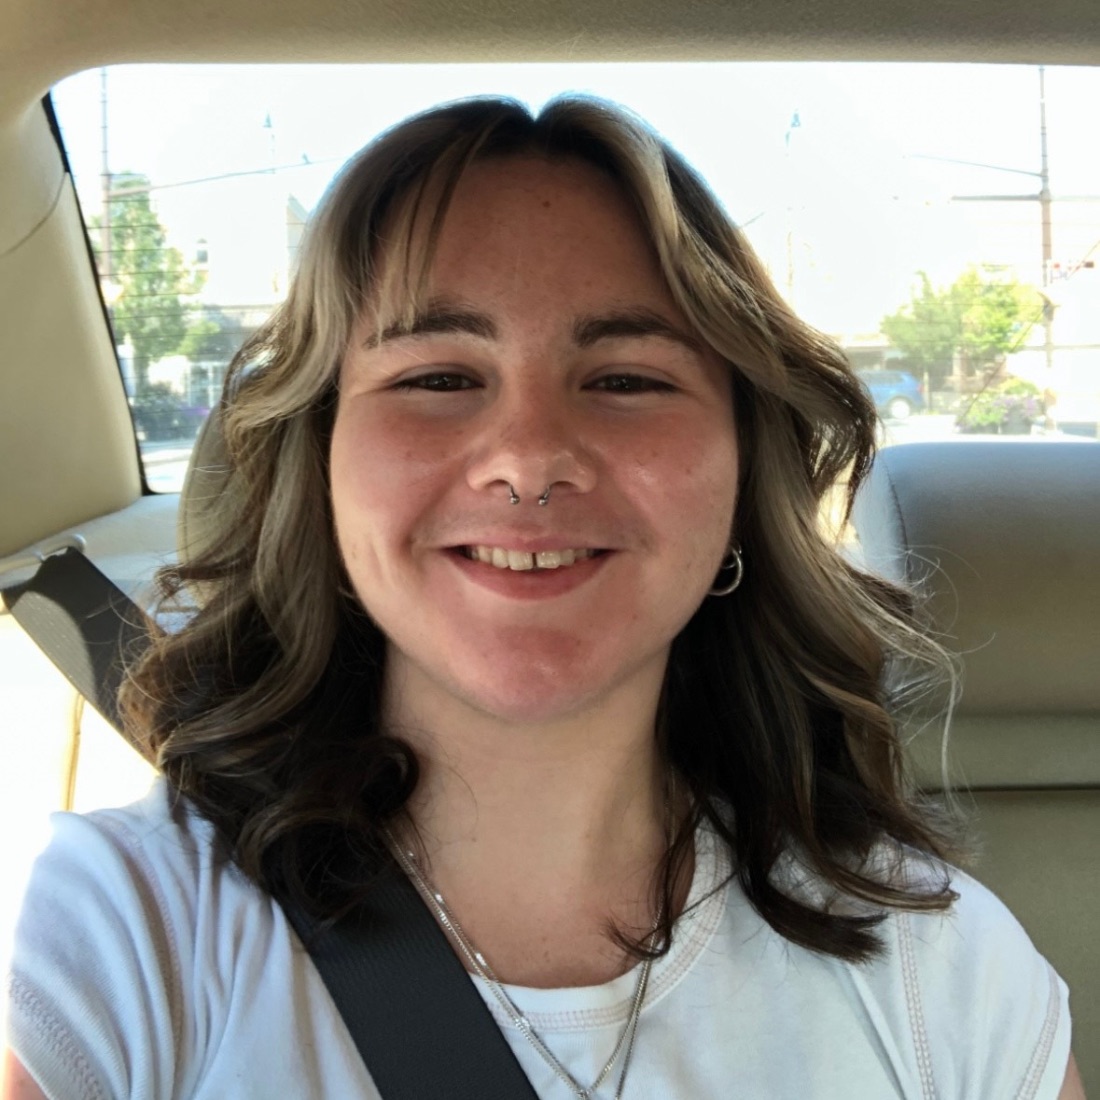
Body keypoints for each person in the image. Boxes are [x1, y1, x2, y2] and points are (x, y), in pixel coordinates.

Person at [2, 96, 1084, 1099]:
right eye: (436, 376)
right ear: (323, 464)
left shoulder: (939, 973)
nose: (526, 458)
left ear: (739, 482)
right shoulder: (129, 937)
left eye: (625, 380)